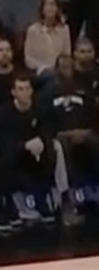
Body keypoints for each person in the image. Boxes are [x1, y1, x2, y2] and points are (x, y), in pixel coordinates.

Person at [43, 54, 99, 226]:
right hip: (60, 136)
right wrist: (65, 134)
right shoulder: (47, 93)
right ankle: (66, 204)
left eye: (69, 67)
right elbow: (45, 122)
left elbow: (93, 116)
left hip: (85, 133)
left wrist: (85, 132)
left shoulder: (84, 90)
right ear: (56, 70)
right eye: (63, 67)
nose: (67, 71)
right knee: (59, 148)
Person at [0, 73, 56, 229]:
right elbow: (4, 141)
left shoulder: (40, 109)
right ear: (13, 92)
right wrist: (24, 146)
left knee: (50, 152)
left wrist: (42, 141)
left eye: (27, 88)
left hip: (35, 153)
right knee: (5, 158)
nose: (24, 92)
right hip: (13, 152)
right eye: (20, 89)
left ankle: (43, 202)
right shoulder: (4, 113)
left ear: (32, 91)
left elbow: (48, 130)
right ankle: (7, 208)